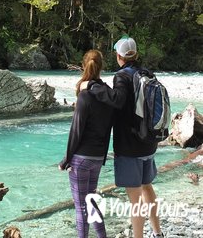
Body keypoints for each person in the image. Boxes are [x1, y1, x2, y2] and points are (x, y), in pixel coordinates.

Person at [87, 37, 164, 238]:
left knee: (135, 198)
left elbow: (118, 100)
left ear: (119, 56)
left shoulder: (122, 76)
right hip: (149, 142)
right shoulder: (147, 73)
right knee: (147, 187)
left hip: (130, 146)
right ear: (135, 54)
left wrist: (94, 86)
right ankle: (157, 232)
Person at [59, 49, 114, 238]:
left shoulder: (85, 97)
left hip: (81, 159)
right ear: (101, 67)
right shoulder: (108, 96)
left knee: (81, 207)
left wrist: (66, 160)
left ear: (84, 65)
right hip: (98, 158)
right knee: (91, 203)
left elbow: (76, 131)